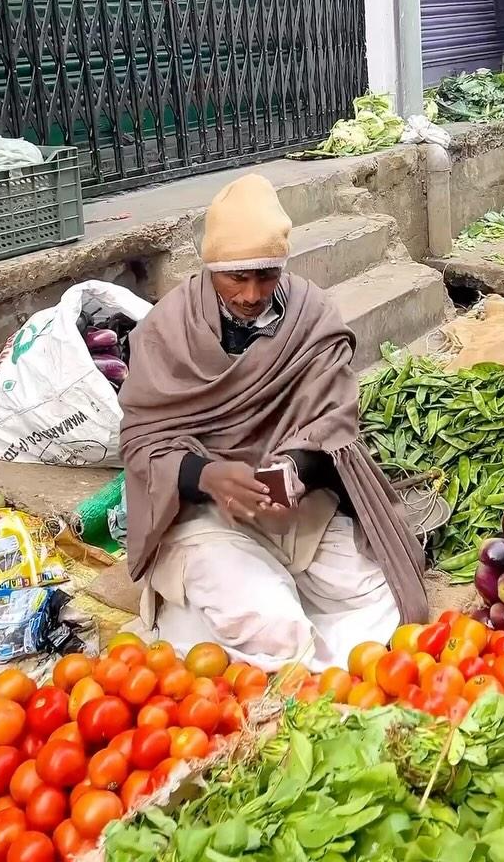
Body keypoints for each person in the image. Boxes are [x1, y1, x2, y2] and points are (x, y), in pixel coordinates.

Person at [119, 173, 427, 672]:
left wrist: (292, 471)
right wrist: (206, 476)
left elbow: (334, 420)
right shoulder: (166, 331)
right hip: (203, 516)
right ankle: (301, 658)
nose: (250, 293)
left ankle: (294, 659)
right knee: (265, 618)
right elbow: (140, 441)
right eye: (235, 276)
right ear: (210, 267)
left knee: (384, 594)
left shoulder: (311, 315)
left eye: (265, 275)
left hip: (291, 505)